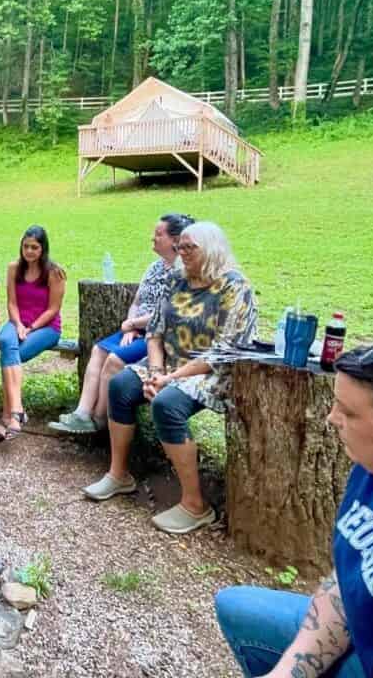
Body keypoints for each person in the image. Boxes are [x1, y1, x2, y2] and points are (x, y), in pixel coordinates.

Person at [216, 342, 373, 678]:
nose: (331, 418)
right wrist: (288, 673)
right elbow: (346, 585)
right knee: (236, 606)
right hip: (366, 635)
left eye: (349, 412)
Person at [83, 222, 257, 534]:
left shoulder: (235, 287)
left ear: (212, 249)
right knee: (122, 384)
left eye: (191, 248)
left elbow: (225, 352)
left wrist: (169, 378)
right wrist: (156, 371)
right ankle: (119, 474)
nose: (183, 253)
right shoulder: (177, 279)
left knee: (166, 403)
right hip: (170, 366)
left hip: (213, 372)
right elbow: (155, 332)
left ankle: (195, 505)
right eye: (181, 248)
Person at [49, 213, 194, 435]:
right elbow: (138, 300)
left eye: (158, 234)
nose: (153, 238)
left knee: (114, 360)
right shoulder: (155, 267)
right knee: (98, 350)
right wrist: (132, 324)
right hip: (136, 329)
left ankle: (99, 420)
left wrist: (133, 324)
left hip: (159, 336)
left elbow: (166, 313)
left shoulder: (181, 273)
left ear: (175, 240)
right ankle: (82, 412)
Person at [0, 226, 66, 443]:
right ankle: (16, 411)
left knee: (10, 355)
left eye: (34, 247)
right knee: (6, 341)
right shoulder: (14, 268)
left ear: (43, 249)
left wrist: (30, 328)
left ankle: (7, 417)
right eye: (26, 246)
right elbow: (11, 302)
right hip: (17, 321)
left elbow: (53, 309)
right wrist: (19, 324)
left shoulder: (54, 273)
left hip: (46, 327)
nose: (29, 251)